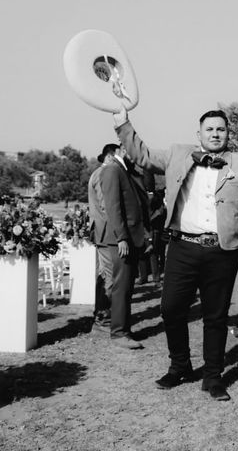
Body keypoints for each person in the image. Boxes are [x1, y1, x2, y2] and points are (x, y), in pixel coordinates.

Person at [112, 106, 238, 402]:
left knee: (215, 316)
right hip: (181, 247)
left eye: (221, 129)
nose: (215, 133)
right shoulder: (177, 154)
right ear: (198, 134)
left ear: (228, 133)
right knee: (171, 308)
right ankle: (180, 366)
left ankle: (213, 377)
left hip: (221, 251)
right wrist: (122, 122)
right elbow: (142, 155)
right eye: (209, 129)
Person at [87, 142, 149, 349]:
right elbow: (112, 206)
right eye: (133, 151)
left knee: (124, 285)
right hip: (116, 237)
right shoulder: (112, 170)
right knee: (118, 285)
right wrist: (121, 236)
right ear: (121, 150)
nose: (138, 155)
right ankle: (118, 331)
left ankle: (120, 328)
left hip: (124, 236)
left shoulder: (123, 170)